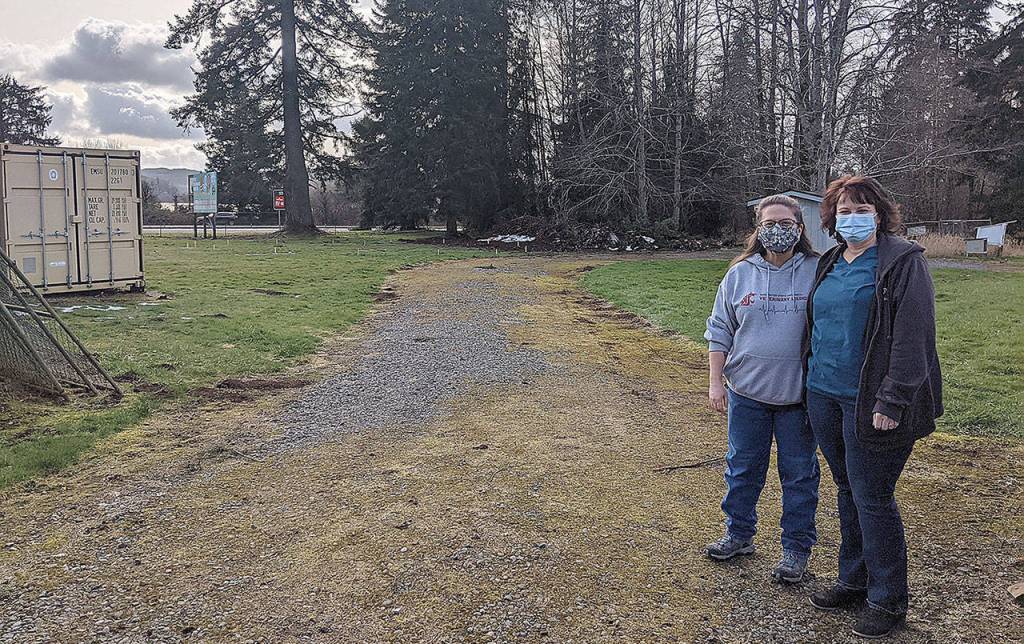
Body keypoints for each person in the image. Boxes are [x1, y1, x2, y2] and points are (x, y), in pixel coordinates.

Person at [803, 175, 943, 639]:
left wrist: (894, 398)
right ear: (832, 218)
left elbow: (913, 337)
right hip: (824, 393)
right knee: (846, 488)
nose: (852, 218)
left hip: (874, 402)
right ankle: (854, 578)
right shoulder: (831, 261)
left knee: (873, 496)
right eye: (843, 210)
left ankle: (888, 601)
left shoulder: (902, 262)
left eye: (862, 210)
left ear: (879, 215)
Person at [704, 194, 821, 584]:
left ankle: (796, 550)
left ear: (799, 228)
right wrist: (715, 383)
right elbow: (719, 329)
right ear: (757, 229)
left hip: (798, 399)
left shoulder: (817, 270)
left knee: (799, 475)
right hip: (746, 393)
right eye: (769, 223)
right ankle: (738, 534)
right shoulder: (739, 274)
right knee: (742, 468)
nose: (777, 230)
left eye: (786, 223)